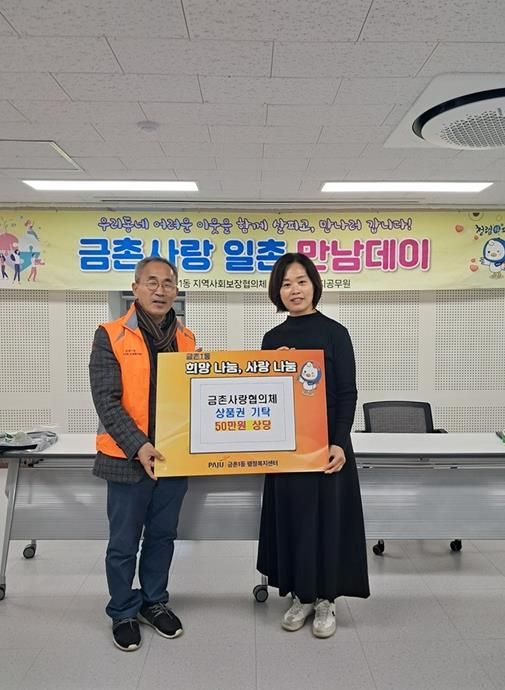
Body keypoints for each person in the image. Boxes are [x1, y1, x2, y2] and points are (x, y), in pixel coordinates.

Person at [257, 252, 369, 639]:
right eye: (286, 283)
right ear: (277, 291)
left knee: (327, 522)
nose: (295, 290)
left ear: (314, 285)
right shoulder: (272, 340)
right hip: (287, 448)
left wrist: (339, 442)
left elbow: (347, 393)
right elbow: (263, 398)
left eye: (301, 281)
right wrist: (275, 370)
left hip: (327, 448)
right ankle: (300, 596)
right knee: (294, 521)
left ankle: (325, 600)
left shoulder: (335, 333)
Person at [89, 256, 196, 652]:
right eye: (151, 282)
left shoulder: (188, 339)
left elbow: (198, 396)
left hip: (172, 458)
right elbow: (107, 400)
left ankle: (154, 601)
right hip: (126, 459)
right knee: (123, 543)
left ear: (176, 291)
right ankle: (122, 609)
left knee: (163, 536)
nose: (160, 290)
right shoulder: (110, 335)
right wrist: (139, 445)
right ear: (135, 288)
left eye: (168, 283)